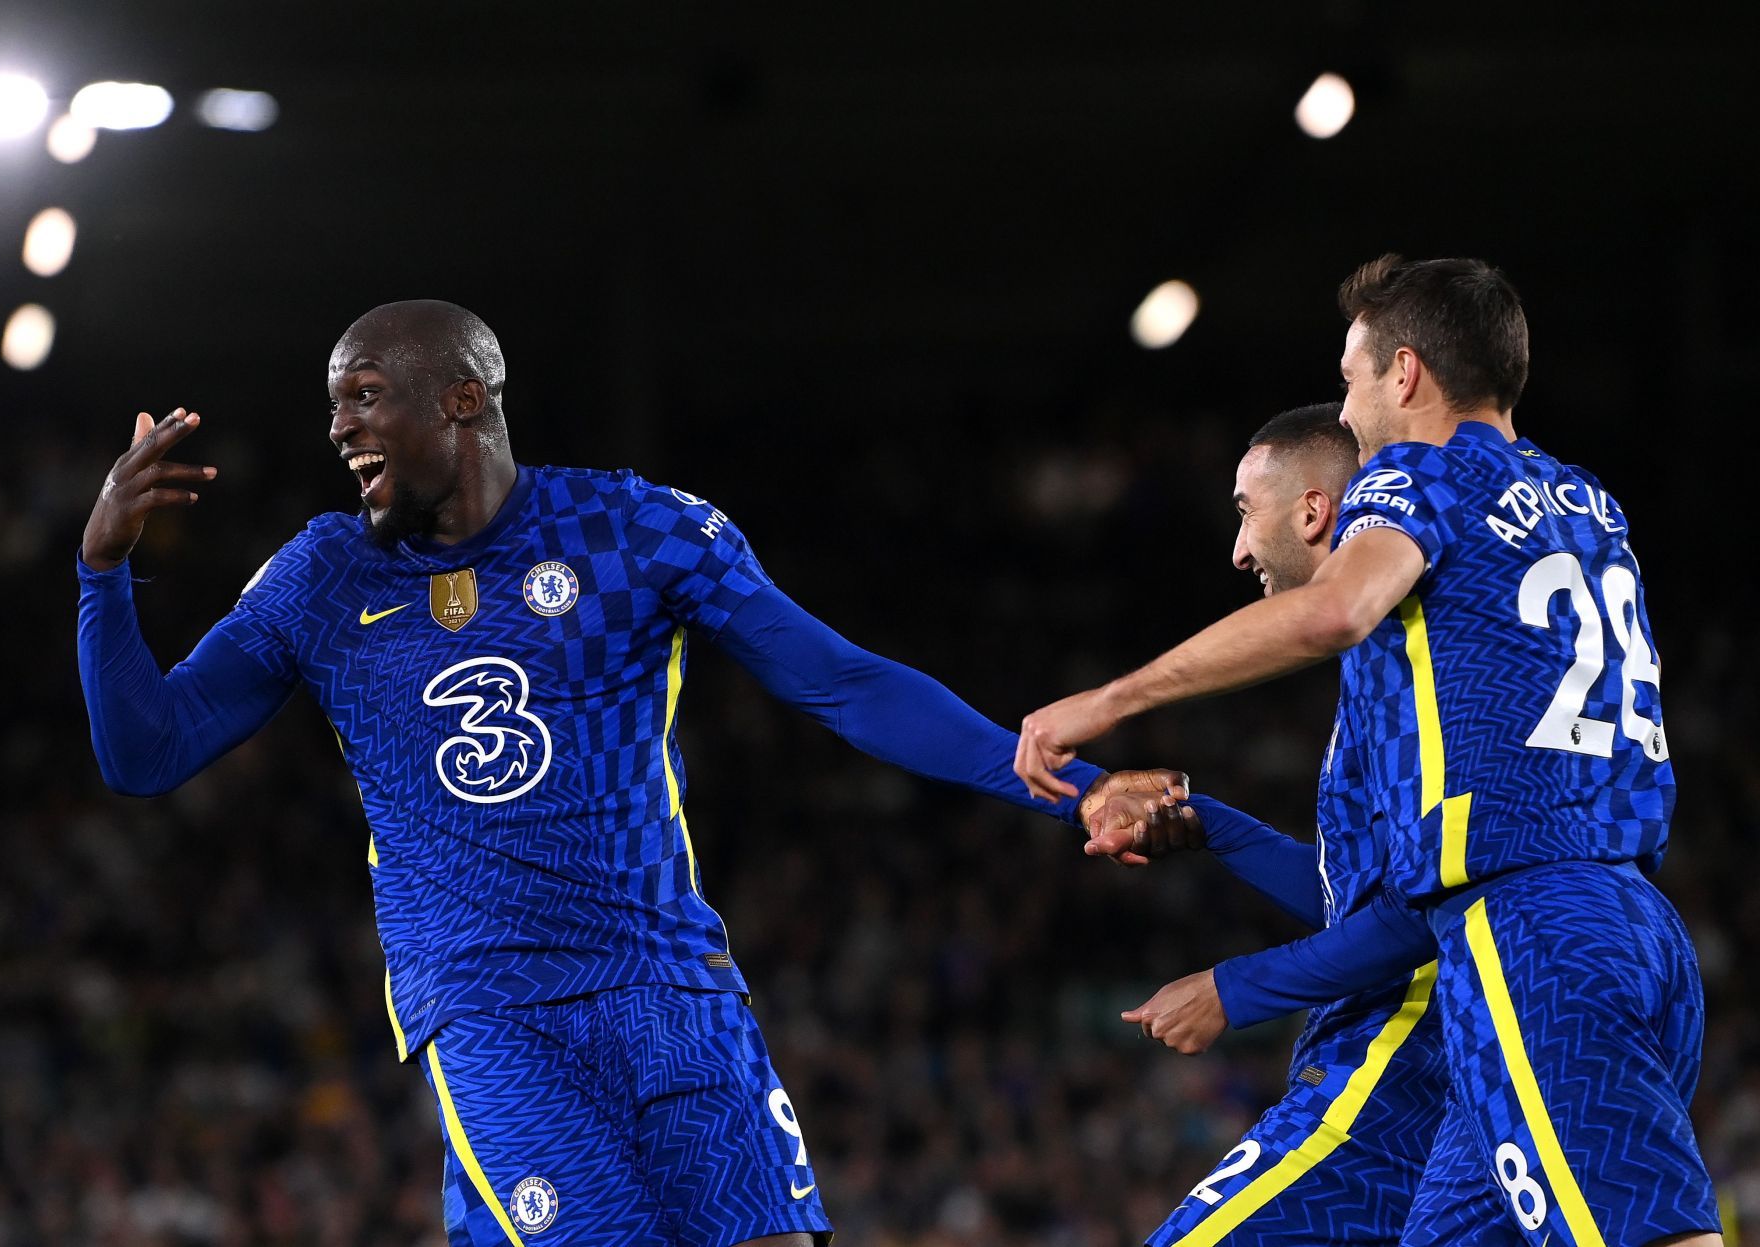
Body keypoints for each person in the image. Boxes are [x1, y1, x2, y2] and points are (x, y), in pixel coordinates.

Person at [75, 299, 1181, 1247]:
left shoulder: (634, 531)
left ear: (462, 397)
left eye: (362, 396)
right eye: (333, 405)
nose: (339, 429)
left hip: (674, 988)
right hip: (496, 1013)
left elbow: (846, 685)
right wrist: (103, 574)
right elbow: (148, 750)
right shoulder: (322, 576)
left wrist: (1074, 785)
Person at [1025, 257, 1721, 1246]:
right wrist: (1208, 824)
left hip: (1531, 928)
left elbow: (1337, 609)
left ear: (1404, 374)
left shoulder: (1419, 471)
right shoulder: (1589, 505)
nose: (1348, 415)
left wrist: (1109, 700)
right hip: (1632, 920)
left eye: (1351, 380)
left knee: (1652, 1230)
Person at [1090, 403, 1484, 1245]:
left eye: (1244, 511)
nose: (1236, 549)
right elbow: (1359, 896)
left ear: (1313, 512)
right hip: (1428, 1073)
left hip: (1400, 1057)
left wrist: (1233, 990)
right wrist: (1210, 826)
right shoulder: (1376, 668)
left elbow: (1427, 911)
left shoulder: (1404, 662)